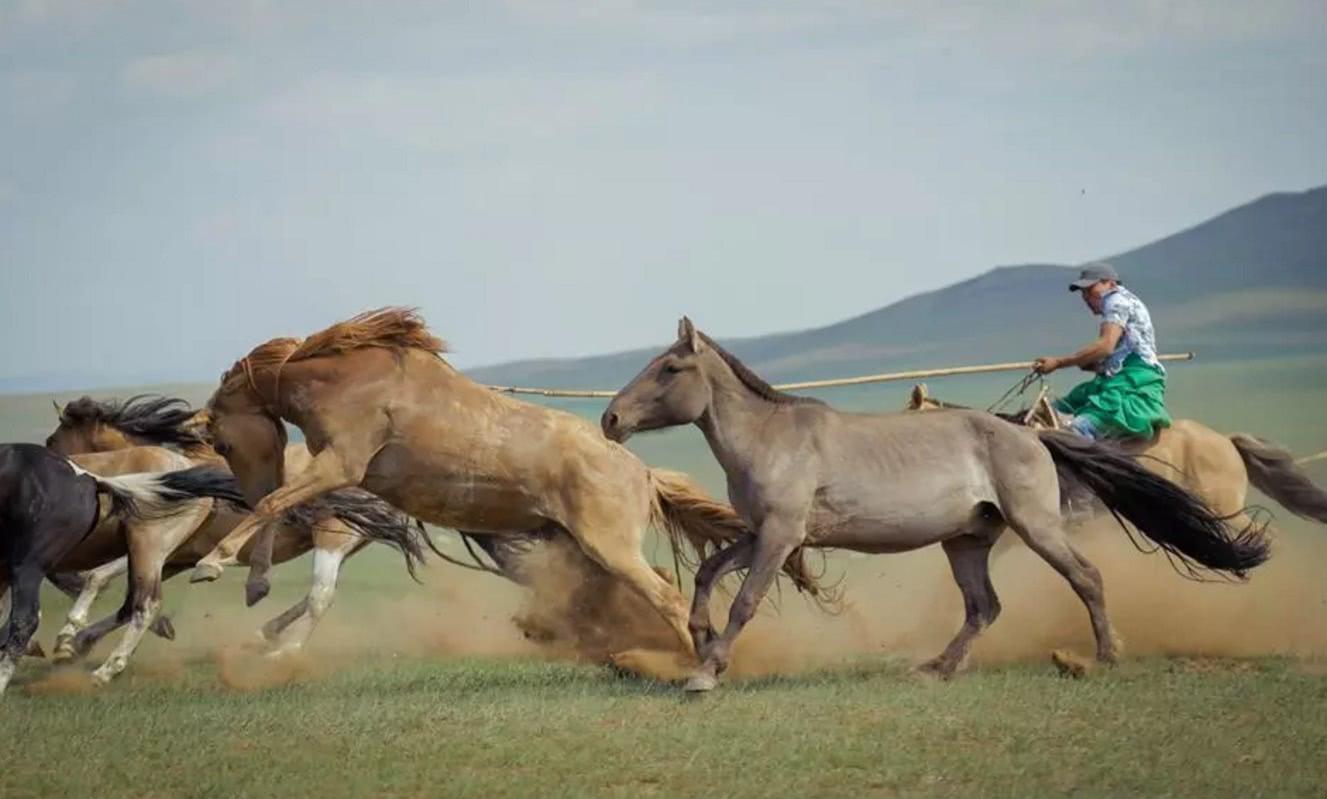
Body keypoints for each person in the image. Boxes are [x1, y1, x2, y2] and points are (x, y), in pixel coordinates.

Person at [1033, 262, 1171, 440]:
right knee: (1051, 411)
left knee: (1077, 431)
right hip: (1116, 379)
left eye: (1090, 290)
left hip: (1132, 384)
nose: (1086, 297)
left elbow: (1106, 346)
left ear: (1111, 284)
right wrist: (1096, 365)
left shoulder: (1116, 300)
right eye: (1083, 293)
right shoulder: (1125, 301)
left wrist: (1059, 363)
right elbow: (1118, 353)